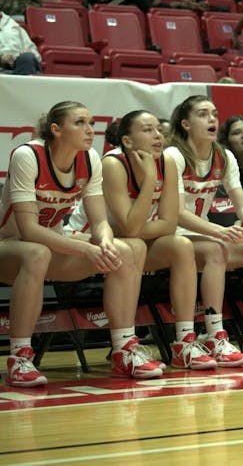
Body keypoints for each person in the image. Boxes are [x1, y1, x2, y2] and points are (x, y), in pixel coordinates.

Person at [0, 102, 160, 386]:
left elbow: (99, 222)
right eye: (80, 123)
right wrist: (85, 248)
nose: (90, 130)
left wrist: (106, 242)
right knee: (36, 252)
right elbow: (28, 230)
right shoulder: (28, 155)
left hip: (51, 249)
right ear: (56, 129)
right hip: (10, 246)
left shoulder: (90, 159)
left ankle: (123, 349)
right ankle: (19, 357)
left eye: (91, 123)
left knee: (127, 249)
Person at [65, 111, 213, 370]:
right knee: (132, 246)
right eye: (147, 130)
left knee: (180, 245)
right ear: (128, 141)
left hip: (134, 243)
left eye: (158, 129)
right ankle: (124, 346)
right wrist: (150, 182)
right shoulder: (113, 164)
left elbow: (168, 224)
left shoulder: (166, 161)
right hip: (91, 241)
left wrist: (138, 229)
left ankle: (185, 343)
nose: (157, 135)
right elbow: (130, 225)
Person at [165, 96, 243, 362]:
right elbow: (175, 214)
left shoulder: (223, 155)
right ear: (186, 124)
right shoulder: (173, 156)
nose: (211, 119)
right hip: (169, 235)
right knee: (216, 248)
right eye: (202, 114)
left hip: (199, 235)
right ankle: (212, 337)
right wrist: (216, 231)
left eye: (214, 113)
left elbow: (242, 207)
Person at [0, 10, 42, 75]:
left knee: (27, 58)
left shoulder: (12, 25)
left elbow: (36, 55)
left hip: (21, 66)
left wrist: (28, 52)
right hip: (2, 69)